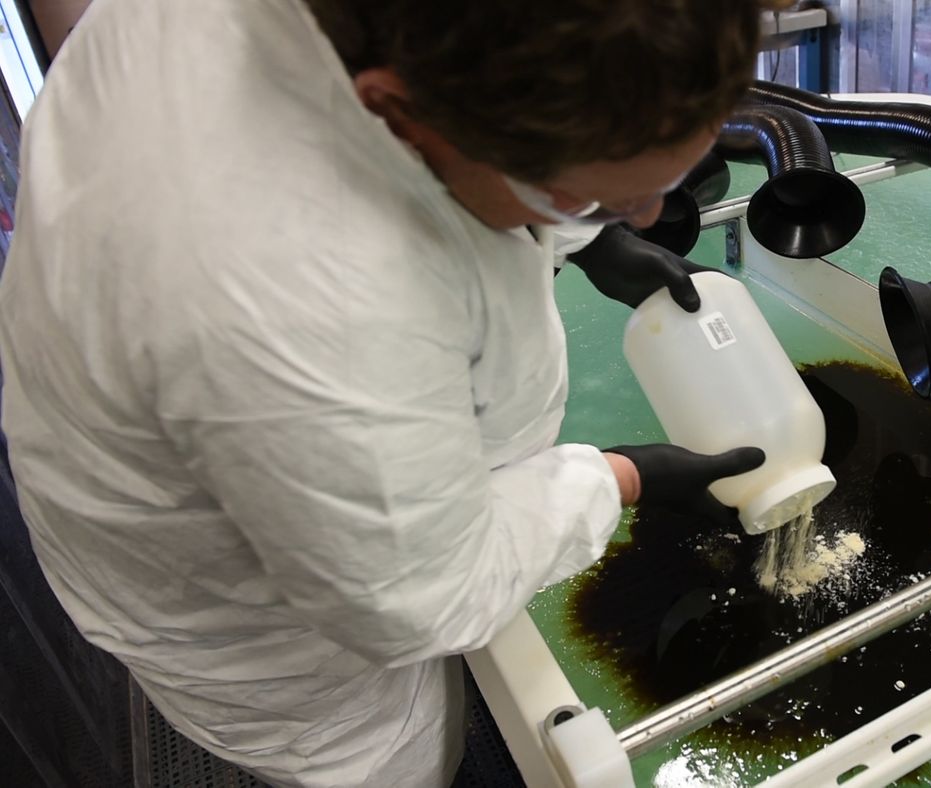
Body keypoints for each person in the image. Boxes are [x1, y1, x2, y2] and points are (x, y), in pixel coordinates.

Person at [0, 0, 786, 785]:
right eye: (593, 197)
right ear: (395, 109)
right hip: (282, 636)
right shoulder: (294, 297)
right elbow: (421, 597)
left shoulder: (409, 45)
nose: (653, 214)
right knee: (403, 759)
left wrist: (594, 231)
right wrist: (619, 479)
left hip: (233, 406)